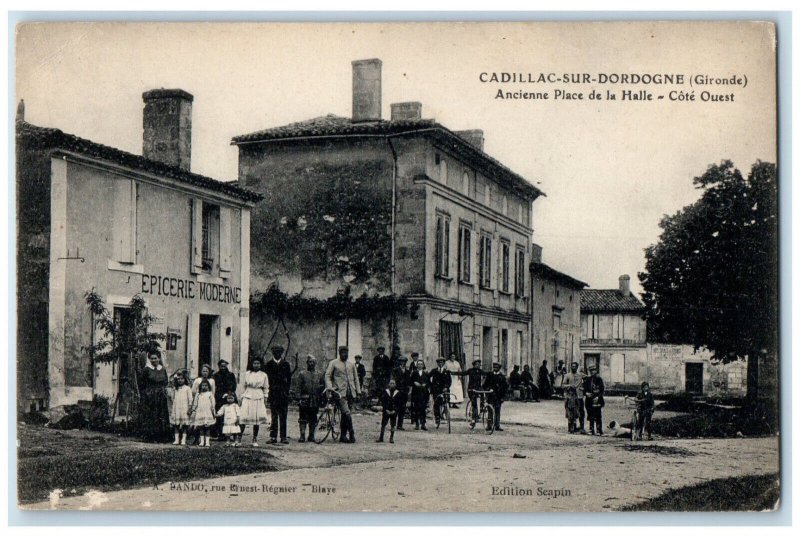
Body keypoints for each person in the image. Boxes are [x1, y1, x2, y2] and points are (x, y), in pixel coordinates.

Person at [324, 345, 362, 443]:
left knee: (345, 415)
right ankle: (352, 433)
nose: (344, 354)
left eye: (346, 352)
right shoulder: (333, 363)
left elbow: (356, 379)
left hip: (350, 393)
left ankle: (343, 436)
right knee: (346, 413)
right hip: (339, 393)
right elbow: (327, 376)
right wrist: (330, 388)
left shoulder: (351, 365)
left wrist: (358, 392)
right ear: (339, 353)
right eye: (342, 352)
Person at [264, 345, 295, 444]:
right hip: (273, 394)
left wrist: (286, 391)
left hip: (283, 394)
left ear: (281, 353)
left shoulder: (286, 364)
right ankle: (273, 437)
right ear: (273, 353)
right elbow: (267, 380)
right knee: (273, 416)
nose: (277, 354)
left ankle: (283, 437)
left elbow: (289, 379)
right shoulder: (268, 365)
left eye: (279, 352)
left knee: (283, 416)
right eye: (275, 352)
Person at [139, 350, 171, 441]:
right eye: (152, 358)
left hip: (161, 395)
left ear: (159, 359)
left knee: (161, 414)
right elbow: (142, 383)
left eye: (155, 358)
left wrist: (162, 391)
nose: (154, 360)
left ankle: (162, 436)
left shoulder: (163, 369)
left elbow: (166, 382)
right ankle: (150, 436)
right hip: (150, 395)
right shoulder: (146, 370)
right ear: (149, 359)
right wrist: (146, 393)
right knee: (151, 415)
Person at [240, 357, 269, 446]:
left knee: (256, 418)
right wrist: (241, 396)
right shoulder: (247, 374)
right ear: (251, 364)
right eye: (254, 363)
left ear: (261, 365)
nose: (256, 365)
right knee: (244, 417)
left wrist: (265, 397)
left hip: (258, 395)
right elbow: (243, 386)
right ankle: (239, 438)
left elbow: (266, 387)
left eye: (258, 363)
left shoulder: (263, 375)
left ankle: (254, 439)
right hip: (248, 395)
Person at [297, 354, 324, 443]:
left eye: (313, 362)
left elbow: (322, 387)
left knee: (313, 418)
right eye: (309, 362)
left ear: (315, 363)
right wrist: (299, 398)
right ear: (307, 363)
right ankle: (302, 435)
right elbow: (298, 387)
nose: (311, 364)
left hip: (315, 399)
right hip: (304, 399)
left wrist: (322, 398)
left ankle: (311, 435)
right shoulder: (302, 374)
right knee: (303, 418)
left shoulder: (319, 374)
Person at [212, 359, 237, 438]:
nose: (223, 368)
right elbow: (214, 386)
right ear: (219, 366)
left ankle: (230, 434)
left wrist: (229, 393)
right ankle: (220, 434)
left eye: (224, 366)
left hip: (229, 396)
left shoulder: (231, 375)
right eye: (221, 366)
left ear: (226, 366)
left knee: (230, 415)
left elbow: (234, 385)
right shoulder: (216, 375)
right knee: (220, 416)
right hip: (219, 397)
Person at [482, 362, 509, 431]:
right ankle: (489, 425)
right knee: (490, 410)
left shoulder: (502, 377)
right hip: (490, 396)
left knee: (497, 411)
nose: (495, 369)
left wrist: (503, 397)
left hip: (498, 396)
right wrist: (488, 390)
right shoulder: (490, 375)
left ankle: (497, 425)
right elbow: (485, 385)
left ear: (499, 368)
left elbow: (505, 387)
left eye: (496, 367)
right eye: (494, 367)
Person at [189, 379, 216, 447]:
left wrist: (213, 411)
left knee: (207, 428)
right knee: (201, 428)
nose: (204, 387)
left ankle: (207, 442)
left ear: (208, 386)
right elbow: (195, 403)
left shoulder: (210, 394)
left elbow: (213, 403)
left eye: (206, 385)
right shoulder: (198, 394)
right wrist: (193, 410)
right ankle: (202, 441)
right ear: (200, 386)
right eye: (203, 385)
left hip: (207, 413)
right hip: (200, 413)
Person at [462, 359, 488, 425]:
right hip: (471, 389)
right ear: (473, 365)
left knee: (483, 395)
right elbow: (462, 373)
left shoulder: (479, 371)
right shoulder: (470, 371)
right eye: (476, 364)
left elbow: (486, 373)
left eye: (479, 364)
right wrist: (452, 372)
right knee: (474, 403)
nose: (478, 366)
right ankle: (473, 419)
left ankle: (482, 409)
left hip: (478, 388)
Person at [169, 370, 192, 446]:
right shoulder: (175, 389)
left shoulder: (187, 388)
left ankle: (183, 439)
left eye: (182, 379)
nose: (180, 380)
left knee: (184, 425)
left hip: (184, 409)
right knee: (176, 425)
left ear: (185, 379)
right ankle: (176, 439)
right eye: (178, 379)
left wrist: (189, 408)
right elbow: (172, 399)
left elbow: (190, 399)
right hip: (177, 409)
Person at [563, 362, 586, 433]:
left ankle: (582, 427)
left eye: (575, 366)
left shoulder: (580, 375)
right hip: (570, 396)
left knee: (581, 412)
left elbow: (588, 378)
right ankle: (571, 428)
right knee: (570, 412)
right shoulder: (567, 375)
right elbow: (563, 385)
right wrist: (569, 386)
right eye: (572, 366)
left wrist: (583, 387)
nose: (573, 368)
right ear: (570, 367)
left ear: (577, 367)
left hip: (579, 396)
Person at [429, 357, 452, 426]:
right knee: (436, 403)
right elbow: (427, 377)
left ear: (444, 363)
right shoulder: (434, 371)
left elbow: (449, 381)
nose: (440, 364)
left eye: (442, 362)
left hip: (444, 390)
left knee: (446, 401)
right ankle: (437, 417)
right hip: (436, 390)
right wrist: (431, 385)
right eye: (439, 362)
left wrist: (446, 387)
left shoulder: (447, 371)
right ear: (437, 363)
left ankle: (444, 413)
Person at [377, 378, 402, 443]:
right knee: (383, 424)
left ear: (395, 385)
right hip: (386, 411)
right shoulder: (385, 392)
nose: (392, 385)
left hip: (394, 411)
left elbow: (399, 403)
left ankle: (391, 438)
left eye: (393, 383)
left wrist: (395, 410)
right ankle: (381, 437)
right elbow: (383, 402)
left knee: (393, 425)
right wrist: (386, 409)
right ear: (388, 384)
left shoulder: (398, 393)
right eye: (391, 383)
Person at [409, 357, 430, 431]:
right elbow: (410, 381)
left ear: (423, 365)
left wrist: (425, 384)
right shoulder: (414, 372)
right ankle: (417, 424)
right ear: (417, 365)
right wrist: (414, 382)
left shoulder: (425, 373)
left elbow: (428, 382)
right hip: (416, 392)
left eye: (421, 364)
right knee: (416, 408)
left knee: (423, 409)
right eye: (418, 364)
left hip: (424, 393)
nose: (420, 365)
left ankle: (423, 424)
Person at [584, 366, 605, 435]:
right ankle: (591, 429)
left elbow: (602, 390)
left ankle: (599, 430)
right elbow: (584, 389)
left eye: (593, 370)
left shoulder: (599, 379)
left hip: (597, 400)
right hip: (589, 400)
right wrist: (586, 393)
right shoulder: (588, 379)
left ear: (596, 371)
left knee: (598, 415)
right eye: (591, 370)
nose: (592, 372)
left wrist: (598, 397)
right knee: (590, 415)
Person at [391, 355, 411, 430]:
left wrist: (408, 390)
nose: (403, 363)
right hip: (397, 391)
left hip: (404, 392)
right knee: (395, 408)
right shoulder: (395, 370)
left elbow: (409, 382)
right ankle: (393, 425)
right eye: (401, 362)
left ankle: (400, 425)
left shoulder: (407, 371)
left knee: (402, 409)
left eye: (404, 362)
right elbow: (393, 381)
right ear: (399, 362)